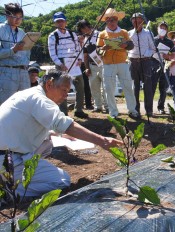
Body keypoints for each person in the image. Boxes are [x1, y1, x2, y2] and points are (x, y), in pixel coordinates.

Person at [0, 69, 122, 197]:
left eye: (68, 92)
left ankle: (12, 178)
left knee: (46, 143)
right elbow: (66, 125)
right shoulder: (39, 99)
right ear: (49, 84)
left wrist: (60, 135)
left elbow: (25, 126)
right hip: (7, 159)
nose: (65, 96)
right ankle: (9, 189)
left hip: (6, 153)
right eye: (63, 90)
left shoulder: (28, 94)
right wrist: (103, 141)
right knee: (61, 181)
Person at [96, 8, 139, 119]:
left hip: (123, 63)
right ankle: (113, 112)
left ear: (117, 20)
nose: (112, 21)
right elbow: (97, 51)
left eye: (114, 19)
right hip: (108, 64)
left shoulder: (123, 32)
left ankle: (132, 110)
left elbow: (131, 45)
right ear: (106, 21)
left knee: (128, 87)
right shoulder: (102, 34)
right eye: (109, 19)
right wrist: (104, 48)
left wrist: (126, 45)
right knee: (109, 88)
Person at [48, 11, 88, 118]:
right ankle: (63, 112)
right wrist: (60, 64)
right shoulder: (52, 36)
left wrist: (80, 59)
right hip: (62, 63)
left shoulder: (72, 34)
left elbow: (78, 47)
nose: (60, 23)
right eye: (58, 21)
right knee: (62, 88)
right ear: (55, 23)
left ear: (65, 21)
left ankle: (79, 110)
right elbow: (52, 53)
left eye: (62, 21)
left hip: (74, 63)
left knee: (80, 86)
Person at [0, 3, 30, 105]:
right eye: (15, 17)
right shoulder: (0, 29)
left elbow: (27, 52)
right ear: (7, 16)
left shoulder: (22, 32)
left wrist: (26, 64)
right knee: (6, 103)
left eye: (20, 17)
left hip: (23, 71)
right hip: (7, 70)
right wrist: (13, 50)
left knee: (25, 102)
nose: (18, 20)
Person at [128, 12, 157, 117]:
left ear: (143, 21)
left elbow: (153, 48)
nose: (137, 22)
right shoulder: (128, 33)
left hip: (146, 61)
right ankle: (135, 110)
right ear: (132, 21)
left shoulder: (148, 33)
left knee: (148, 86)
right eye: (134, 20)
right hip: (133, 61)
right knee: (134, 87)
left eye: (139, 20)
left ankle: (149, 110)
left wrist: (145, 55)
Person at [77, 19, 108, 114]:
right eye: (82, 30)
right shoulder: (84, 39)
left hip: (104, 63)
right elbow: (85, 55)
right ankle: (98, 106)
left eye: (84, 28)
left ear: (88, 26)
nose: (84, 31)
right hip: (92, 65)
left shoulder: (100, 34)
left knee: (106, 87)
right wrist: (86, 67)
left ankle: (108, 106)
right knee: (94, 87)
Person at [153, 21, 175, 114]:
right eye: (161, 27)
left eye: (165, 28)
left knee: (163, 88)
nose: (163, 29)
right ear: (158, 28)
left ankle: (161, 107)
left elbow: (173, 55)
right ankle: (149, 108)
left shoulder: (169, 42)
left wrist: (168, 57)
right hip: (153, 65)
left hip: (165, 66)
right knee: (151, 87)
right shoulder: (152, 39)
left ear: (167, 30)